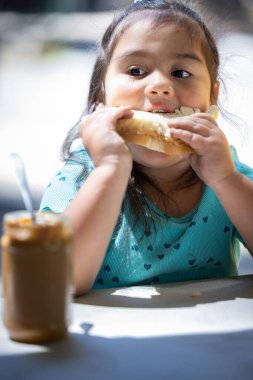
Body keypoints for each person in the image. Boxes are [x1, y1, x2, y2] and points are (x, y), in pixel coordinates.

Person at [40, 0, 253, 295]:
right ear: (101, 96)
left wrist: (228, 181)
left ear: (212, 98)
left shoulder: (226, 173)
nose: (160, 86)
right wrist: (110, 171)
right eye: (137, 71)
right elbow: (53, 282)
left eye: (180, 73)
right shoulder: (79, 177)